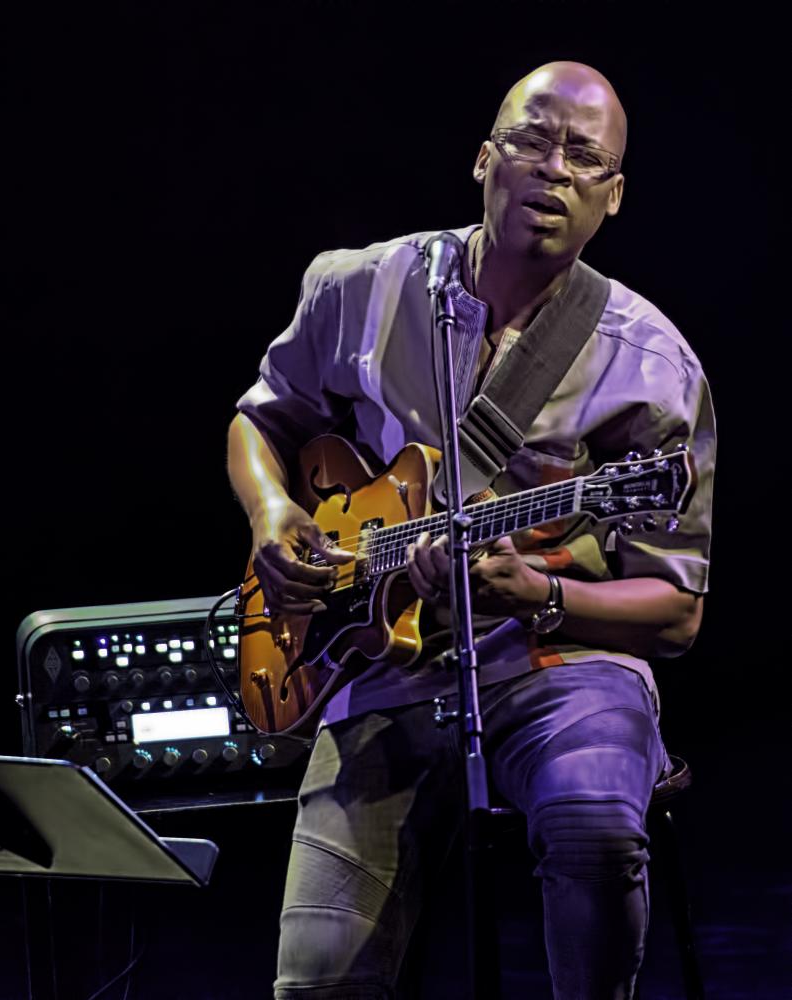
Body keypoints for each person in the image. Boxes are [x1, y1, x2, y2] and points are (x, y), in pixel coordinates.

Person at [226, 62, 714, 999]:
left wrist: (543, 597)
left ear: (612, 196)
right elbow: (263, 418)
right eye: (533, 141)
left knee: (595, 832)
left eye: (584, 157)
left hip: (557, 662)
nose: (554, 169)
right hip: (372, 660)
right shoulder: (356, 286)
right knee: (314, 984)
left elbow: (677, 610)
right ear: (484, 157)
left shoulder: (651, 365)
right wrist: (273, 515)